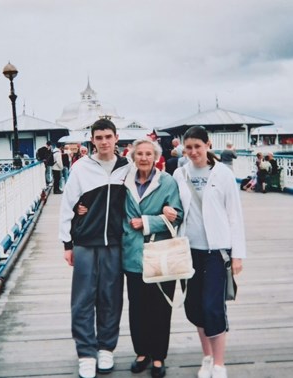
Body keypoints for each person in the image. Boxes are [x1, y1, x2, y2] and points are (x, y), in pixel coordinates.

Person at [58, 119, 131, 378]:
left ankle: (106, 348)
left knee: (111, 297)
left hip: (115, 243)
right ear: (92, 140)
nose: (103, 142)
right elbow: (68, 205)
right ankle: (86, 352)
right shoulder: (81, 168)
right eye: (98, 137)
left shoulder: (127, 168)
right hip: (85, 242)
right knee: (83, 299)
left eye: (108, 137)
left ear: (116, 137)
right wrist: (67, 243)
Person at [172, 126, 246, 378]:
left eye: (197, 146)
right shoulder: (179, 174)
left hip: (216, 251)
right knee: (194, 307)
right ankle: (206, 357)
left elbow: (234, 215)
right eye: (188, 147)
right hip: (189, 250)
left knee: (213, 306)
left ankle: (219, 363)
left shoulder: (223, 173)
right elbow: (174, 208)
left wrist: (237, 254)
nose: (193, 152)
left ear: (208, 145)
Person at [122, 139, 183, 377]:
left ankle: (158, 356)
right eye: (140, 154)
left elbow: (176, 215)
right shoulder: (124, 182)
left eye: (149, 154)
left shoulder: (167, 182)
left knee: (159, 308)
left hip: (161, 254)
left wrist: (147, 222)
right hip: (133, 254)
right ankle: (141, 352)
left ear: (156, 157)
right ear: (133, 157)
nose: (144, 158)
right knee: (137, 307)